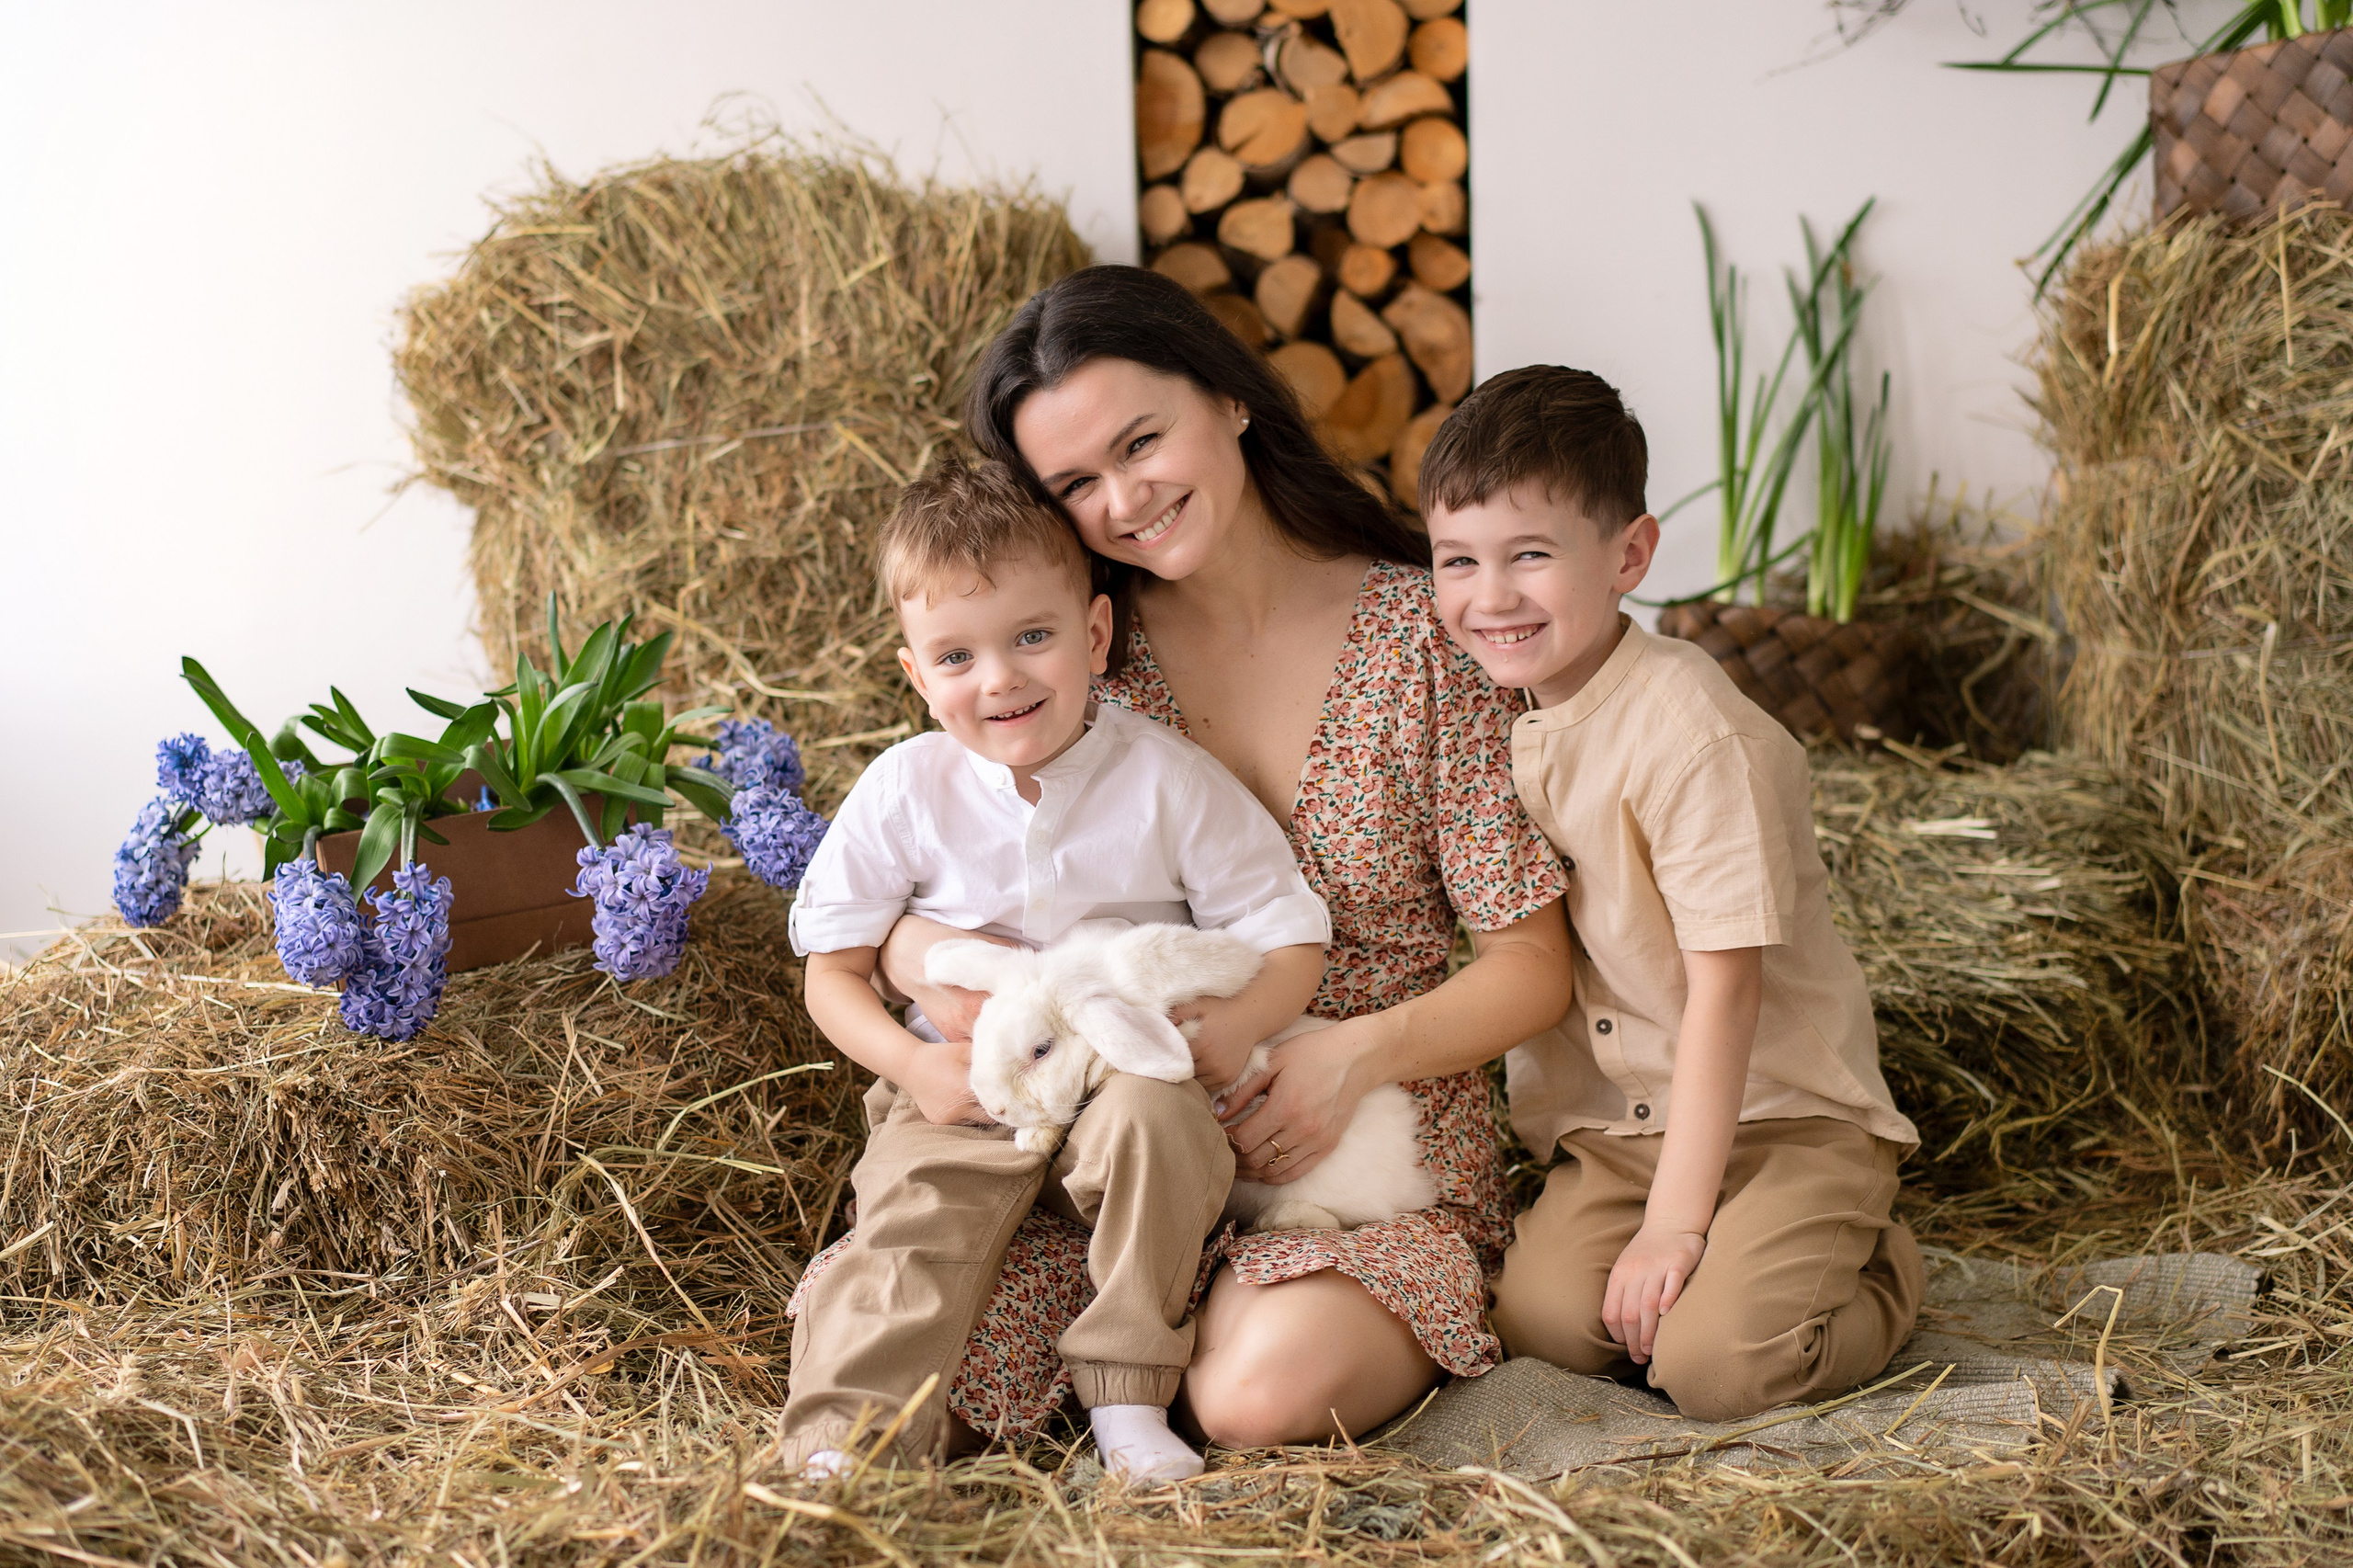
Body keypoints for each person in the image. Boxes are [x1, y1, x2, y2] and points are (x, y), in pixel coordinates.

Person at [875, 264, 1575, 1450]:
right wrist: (934, 964)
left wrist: (1347, 1058)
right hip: (1115, 1156)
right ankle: (1133, 1349)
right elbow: (911, 868)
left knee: (1253, 1396)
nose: (1126, 499)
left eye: (1143, 441)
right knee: (933, 1395)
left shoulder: (1421, 639)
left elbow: (1531, 966)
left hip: (1360, 1154)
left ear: (1231, 400)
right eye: (1078, 484)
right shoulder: (1069, 658)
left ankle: (1203, 1354)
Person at [780, 451, 1331, 1483]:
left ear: (1094, 633)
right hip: (966, 1080)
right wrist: (915, 1071)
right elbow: (833, 973)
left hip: (1120, 1065)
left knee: (1159, 1123)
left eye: (1032, 636)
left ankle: (1126, 1398)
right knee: (906, 1225)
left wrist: (1230, 1030)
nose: (999, 679)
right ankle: (841, 1446)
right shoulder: (907, 788)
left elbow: (1288, 928)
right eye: (955, 656)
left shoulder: (1168, 778)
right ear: (913, 671)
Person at [1418, 364, 1924, 1422]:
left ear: (1629, 556)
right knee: (1541, 1323)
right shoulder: (1494, 711)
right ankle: (1723, 1257)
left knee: (1719, 1370)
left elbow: (1725, 996)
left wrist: (1673, 1228)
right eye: (1457, 560)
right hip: (1619, 1122)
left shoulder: (1690, 734)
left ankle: (1876, 1269)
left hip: (1781, 1111)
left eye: (1530, 556)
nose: (1489, 596)